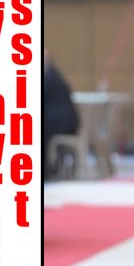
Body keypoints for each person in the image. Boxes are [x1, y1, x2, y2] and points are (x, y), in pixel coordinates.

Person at [43, 48, 80, 180]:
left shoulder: (49, 78)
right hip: (67, 122)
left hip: (61, 123)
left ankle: (45, 169)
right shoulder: (54, 75)